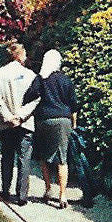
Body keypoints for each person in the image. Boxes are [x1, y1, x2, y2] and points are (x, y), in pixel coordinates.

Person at [0, 41, 39, 204]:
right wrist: (20, 116)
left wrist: (8, 116)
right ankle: (22, 195)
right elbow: (36, 99)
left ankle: (5, 190)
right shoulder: (31, 75)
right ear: (19, 55)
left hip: (5, 124)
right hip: (24, 123)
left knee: (7, 156)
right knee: (24, 158)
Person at [27, 48, 78, 209]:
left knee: (43, 155)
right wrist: (73, 124)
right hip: (63, 120)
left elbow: (29, 96)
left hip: (44, 119)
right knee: (62, 158)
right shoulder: (66, 80)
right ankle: (63, 195)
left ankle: (48, 189)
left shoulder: (40, 79)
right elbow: (73, 105)